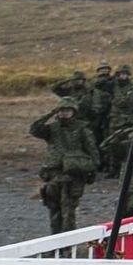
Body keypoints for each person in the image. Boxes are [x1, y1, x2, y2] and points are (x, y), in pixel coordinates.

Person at [30, 97, 100, 233]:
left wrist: (93, 170)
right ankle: (56, 241)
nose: (64, 113)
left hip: (74, 174)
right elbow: (34, 129)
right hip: (53, 173)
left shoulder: (82, 129)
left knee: (69, 211)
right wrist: (50, 114)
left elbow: (92, 150)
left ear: (74, 112)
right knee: (54, 209)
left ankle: (67, 245)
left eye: (68, 110)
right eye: (62, 110)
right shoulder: (52, 129)